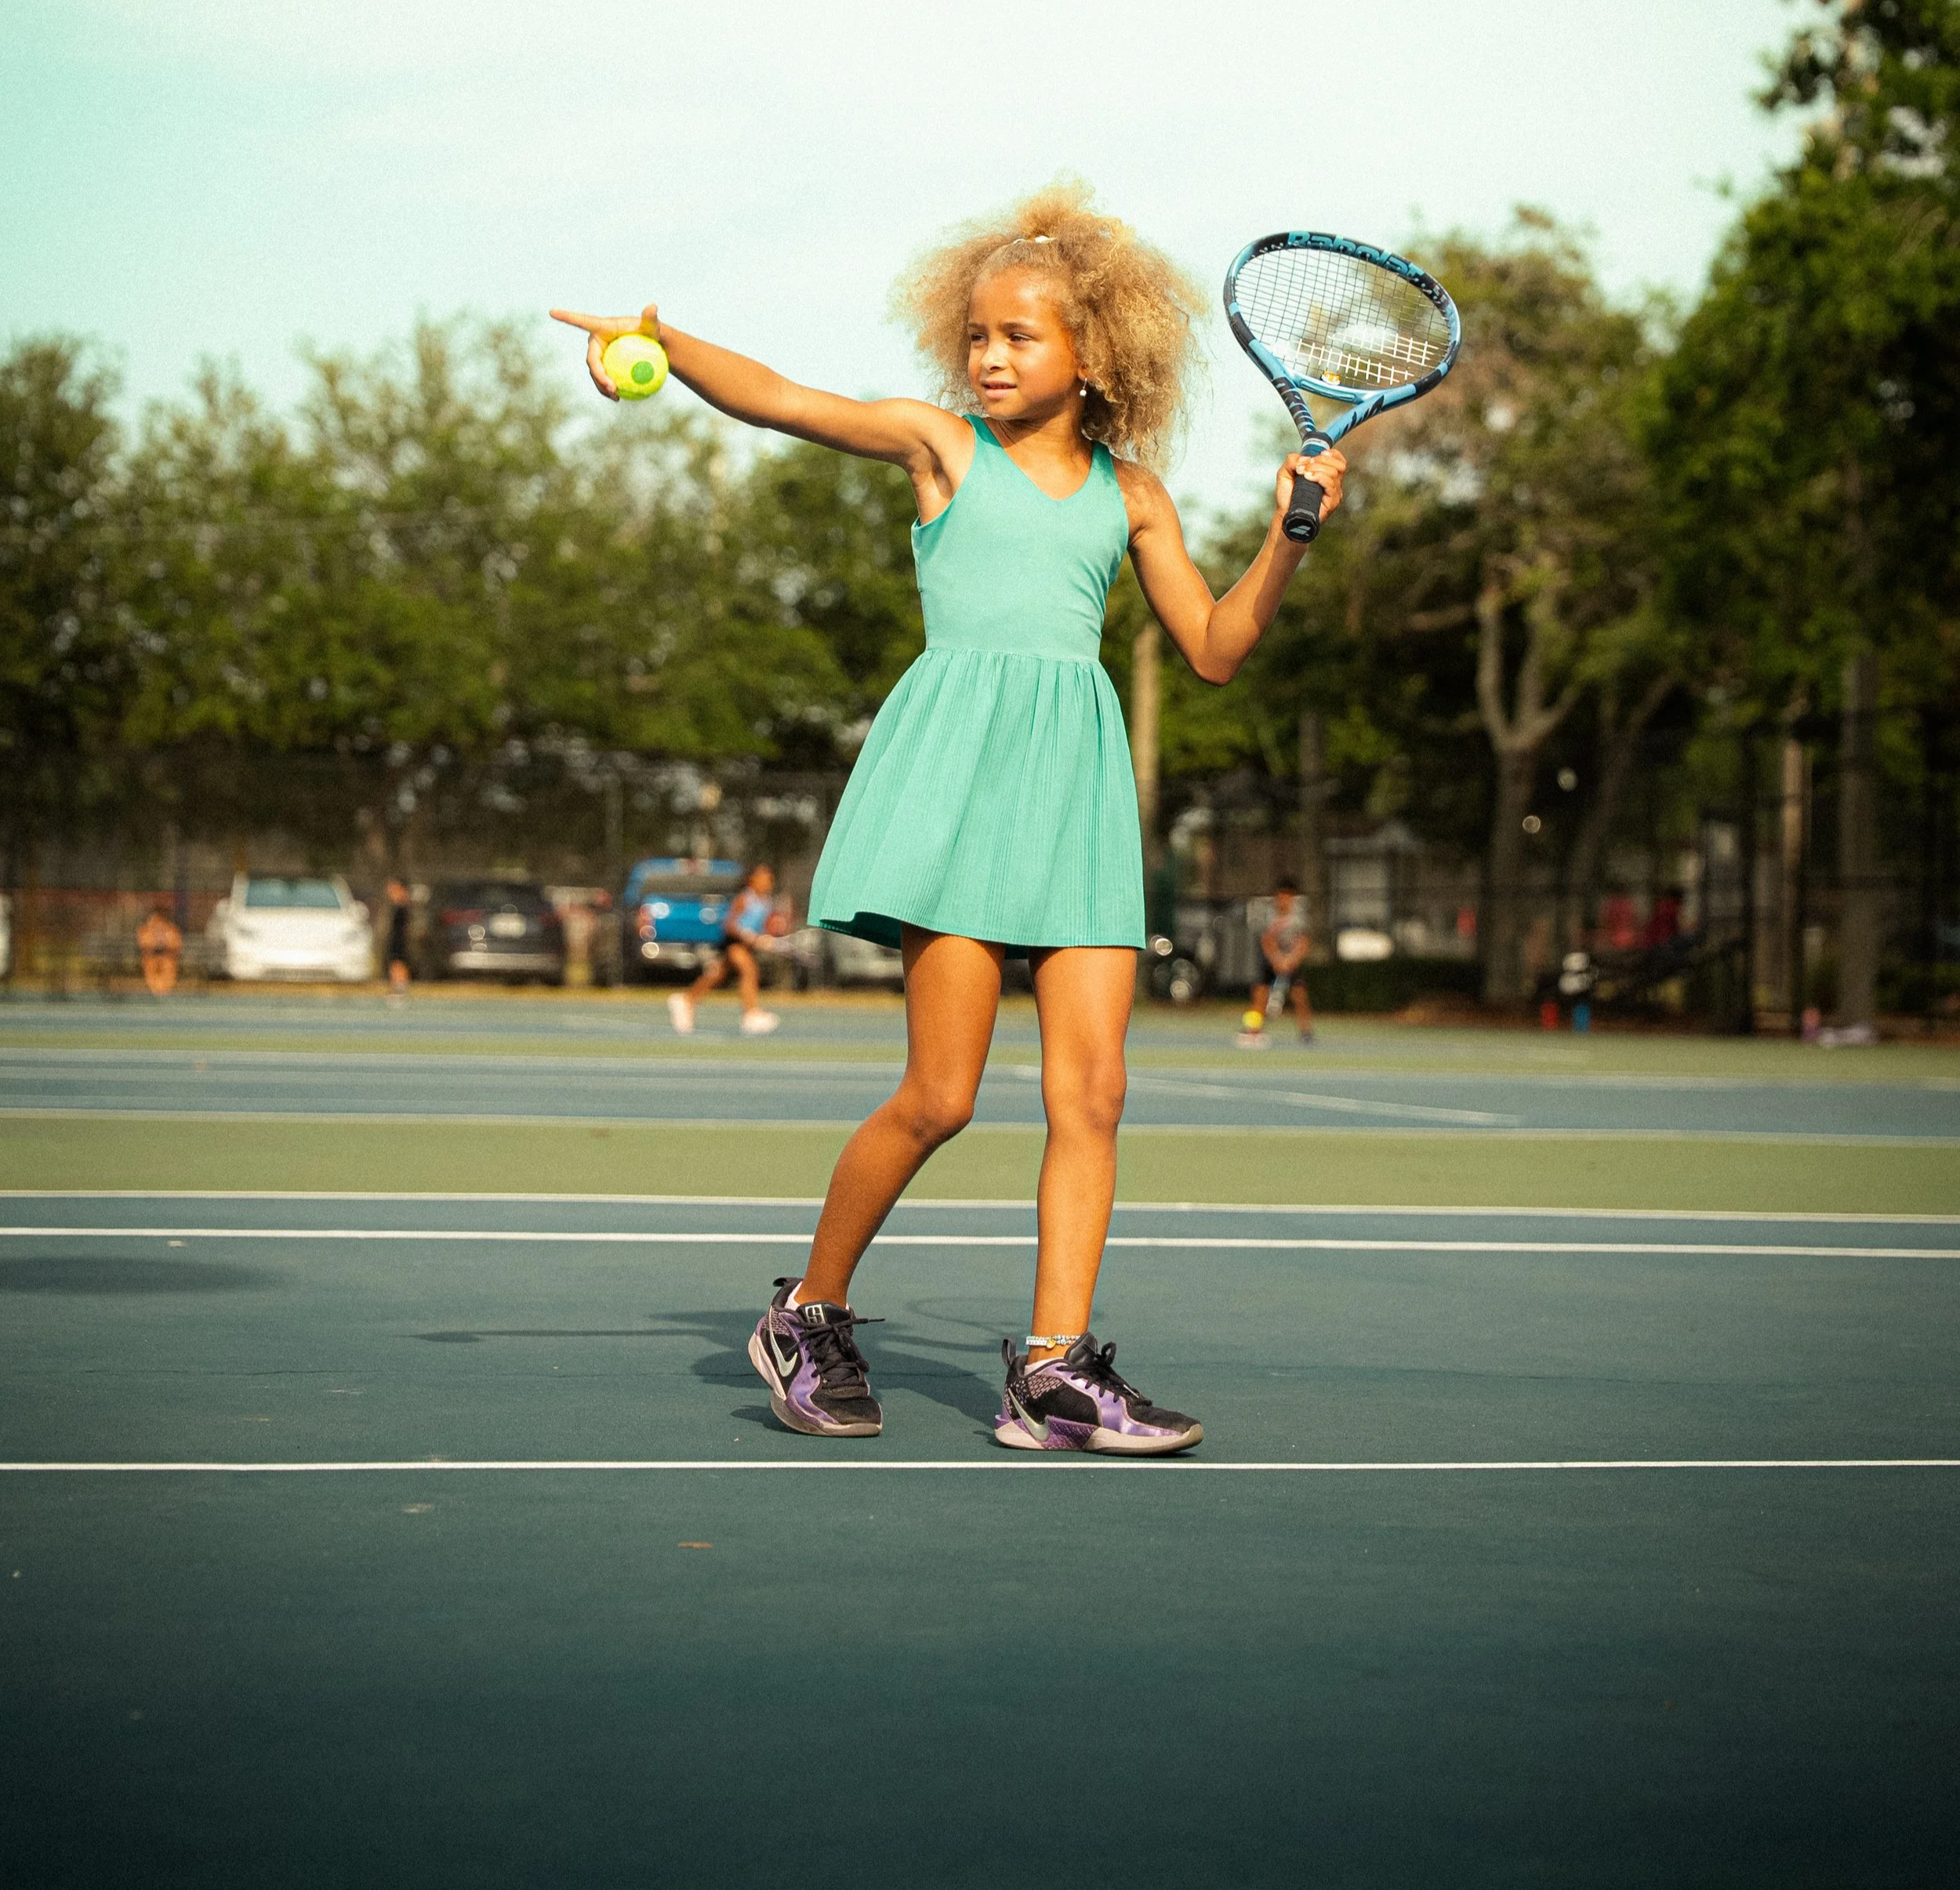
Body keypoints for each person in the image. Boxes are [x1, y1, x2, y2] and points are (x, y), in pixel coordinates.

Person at [554, 181, 1345, 1455]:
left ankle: (1052, 1373)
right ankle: (807, 1313)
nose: (988, 356)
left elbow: (1211, 646)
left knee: (1095, 1096)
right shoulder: (942, 450)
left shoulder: (1133, 494)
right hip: (963, 789)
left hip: (1073, 800)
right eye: (977, 334)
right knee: (942, 1094)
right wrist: (667, 341)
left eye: (1020, 337)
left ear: (1097, 356)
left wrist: (1292, 536)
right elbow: (790, 400)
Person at [667, 863, 782, 1038]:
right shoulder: (744, 899)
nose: (768, 881)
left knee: (716, 975)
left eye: (769, 878)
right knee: (749, 970)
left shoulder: (766, 903)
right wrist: (747, 936)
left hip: (745, 945)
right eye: (763, 877)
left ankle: (687, 1000)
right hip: (732, 943)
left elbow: (762, 929)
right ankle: (751, 1014)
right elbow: (729, 925)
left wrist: (765, 939)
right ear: (752, 880)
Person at [1243, 877, 1314, 1047]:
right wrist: (1277, 959)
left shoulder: (1300, 917)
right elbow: (1268, 941)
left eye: (1287, 896)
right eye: (1280, 896)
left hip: (1292, 960)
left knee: (1299, 996)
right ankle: (1254, 1031)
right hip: (1271, 960)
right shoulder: (1269, 914)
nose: (1283, 900)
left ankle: (1306, 1033)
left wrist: (1291, 959)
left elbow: (1303, 942)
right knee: (1260, 995)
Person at [136, 905, 182, 998]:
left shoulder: (171, 929)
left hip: (167, 958)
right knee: (150, 966)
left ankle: (163, 992)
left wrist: (165, 948)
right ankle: (155, 991)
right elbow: (143, 944)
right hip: (151, 958)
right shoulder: (146, 929)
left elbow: (176, 945)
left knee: (168, 967)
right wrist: (154, 947)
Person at [383, 879, 412, 996]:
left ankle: (400, 987)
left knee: (398, 962)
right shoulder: (397, 907)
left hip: (400, 940)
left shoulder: (403, 907)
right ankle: (397, 987)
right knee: (395, 962)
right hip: (396, 939)